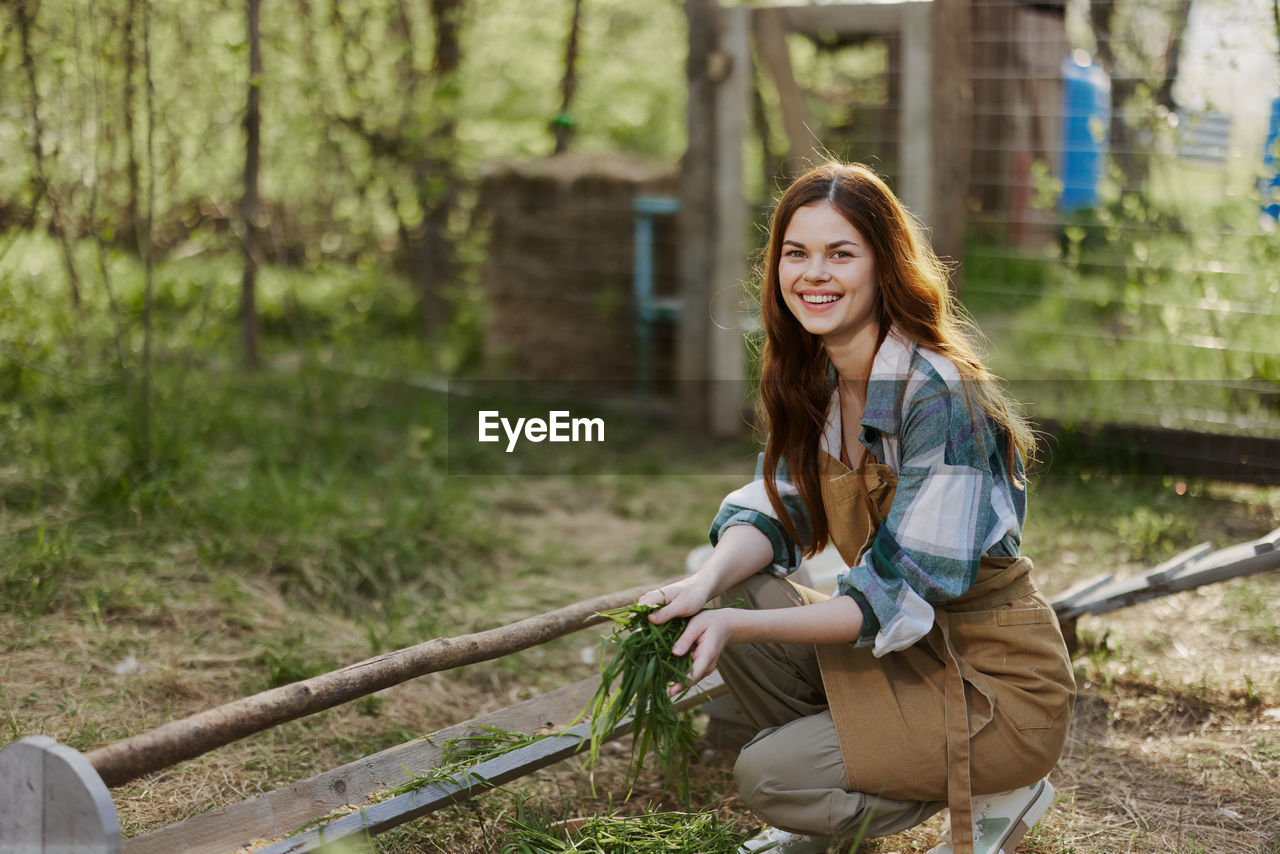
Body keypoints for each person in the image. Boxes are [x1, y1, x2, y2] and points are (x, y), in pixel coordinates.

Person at [639, 162, 1075, 854]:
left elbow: (883, 601)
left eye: (841, 254)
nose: (814, 274)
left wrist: (731, 628)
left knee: (769, 775)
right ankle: (845, 796)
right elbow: (781, 507)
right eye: (796, 253)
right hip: (903, 653)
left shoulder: (940, 397)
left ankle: (996, 786)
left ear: (884, 267)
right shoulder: (813, 375)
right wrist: (703, 587)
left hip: (988, 683)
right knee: (741, 588)